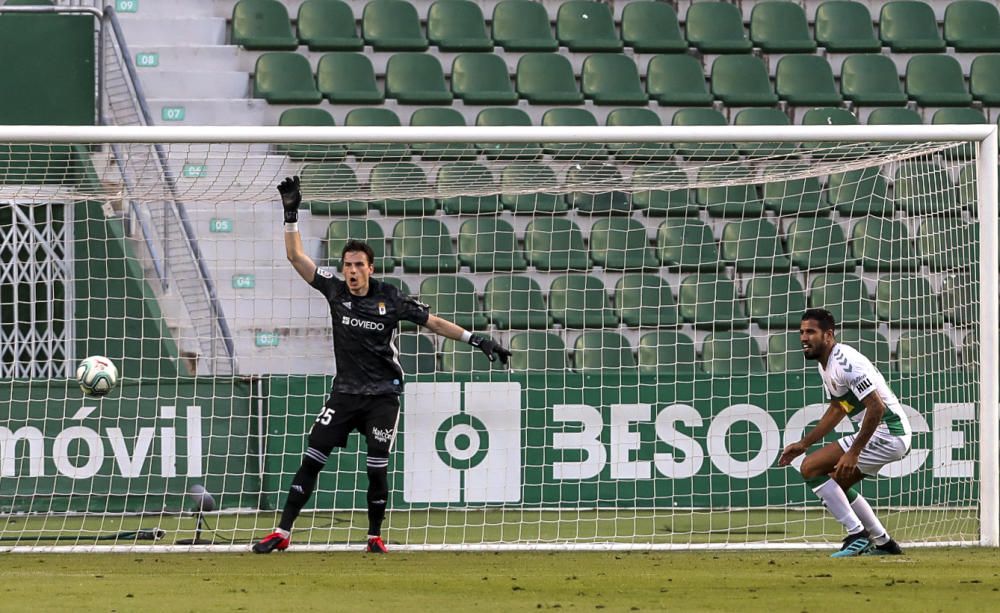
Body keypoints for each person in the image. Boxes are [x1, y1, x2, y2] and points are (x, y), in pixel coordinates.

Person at [253, 176, 511, 554]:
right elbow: (296, 258)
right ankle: (283, 531)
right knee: (312, 457)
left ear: (370, 268)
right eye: (347, 265)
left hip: (382, 396)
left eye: (358, 265)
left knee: (376, 466)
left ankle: (374, 537)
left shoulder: (391, 298)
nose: (352, 271)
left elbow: (434, 322)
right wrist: (290, 214)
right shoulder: (334, 289)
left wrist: (476, 339)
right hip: (344, 393)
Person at [779, 308, 908, 557]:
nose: (804, 338)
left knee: (810, 468)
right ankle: (884, 543)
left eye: (811, 332)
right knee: (835, 483)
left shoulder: (845, 364)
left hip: (889, 432)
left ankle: (857, 534)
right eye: (802, 332)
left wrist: (854, 452)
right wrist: (804, 443)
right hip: (882, 433)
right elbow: (839, 408)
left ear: (828, 335)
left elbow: (876, 408)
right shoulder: (825, 365)